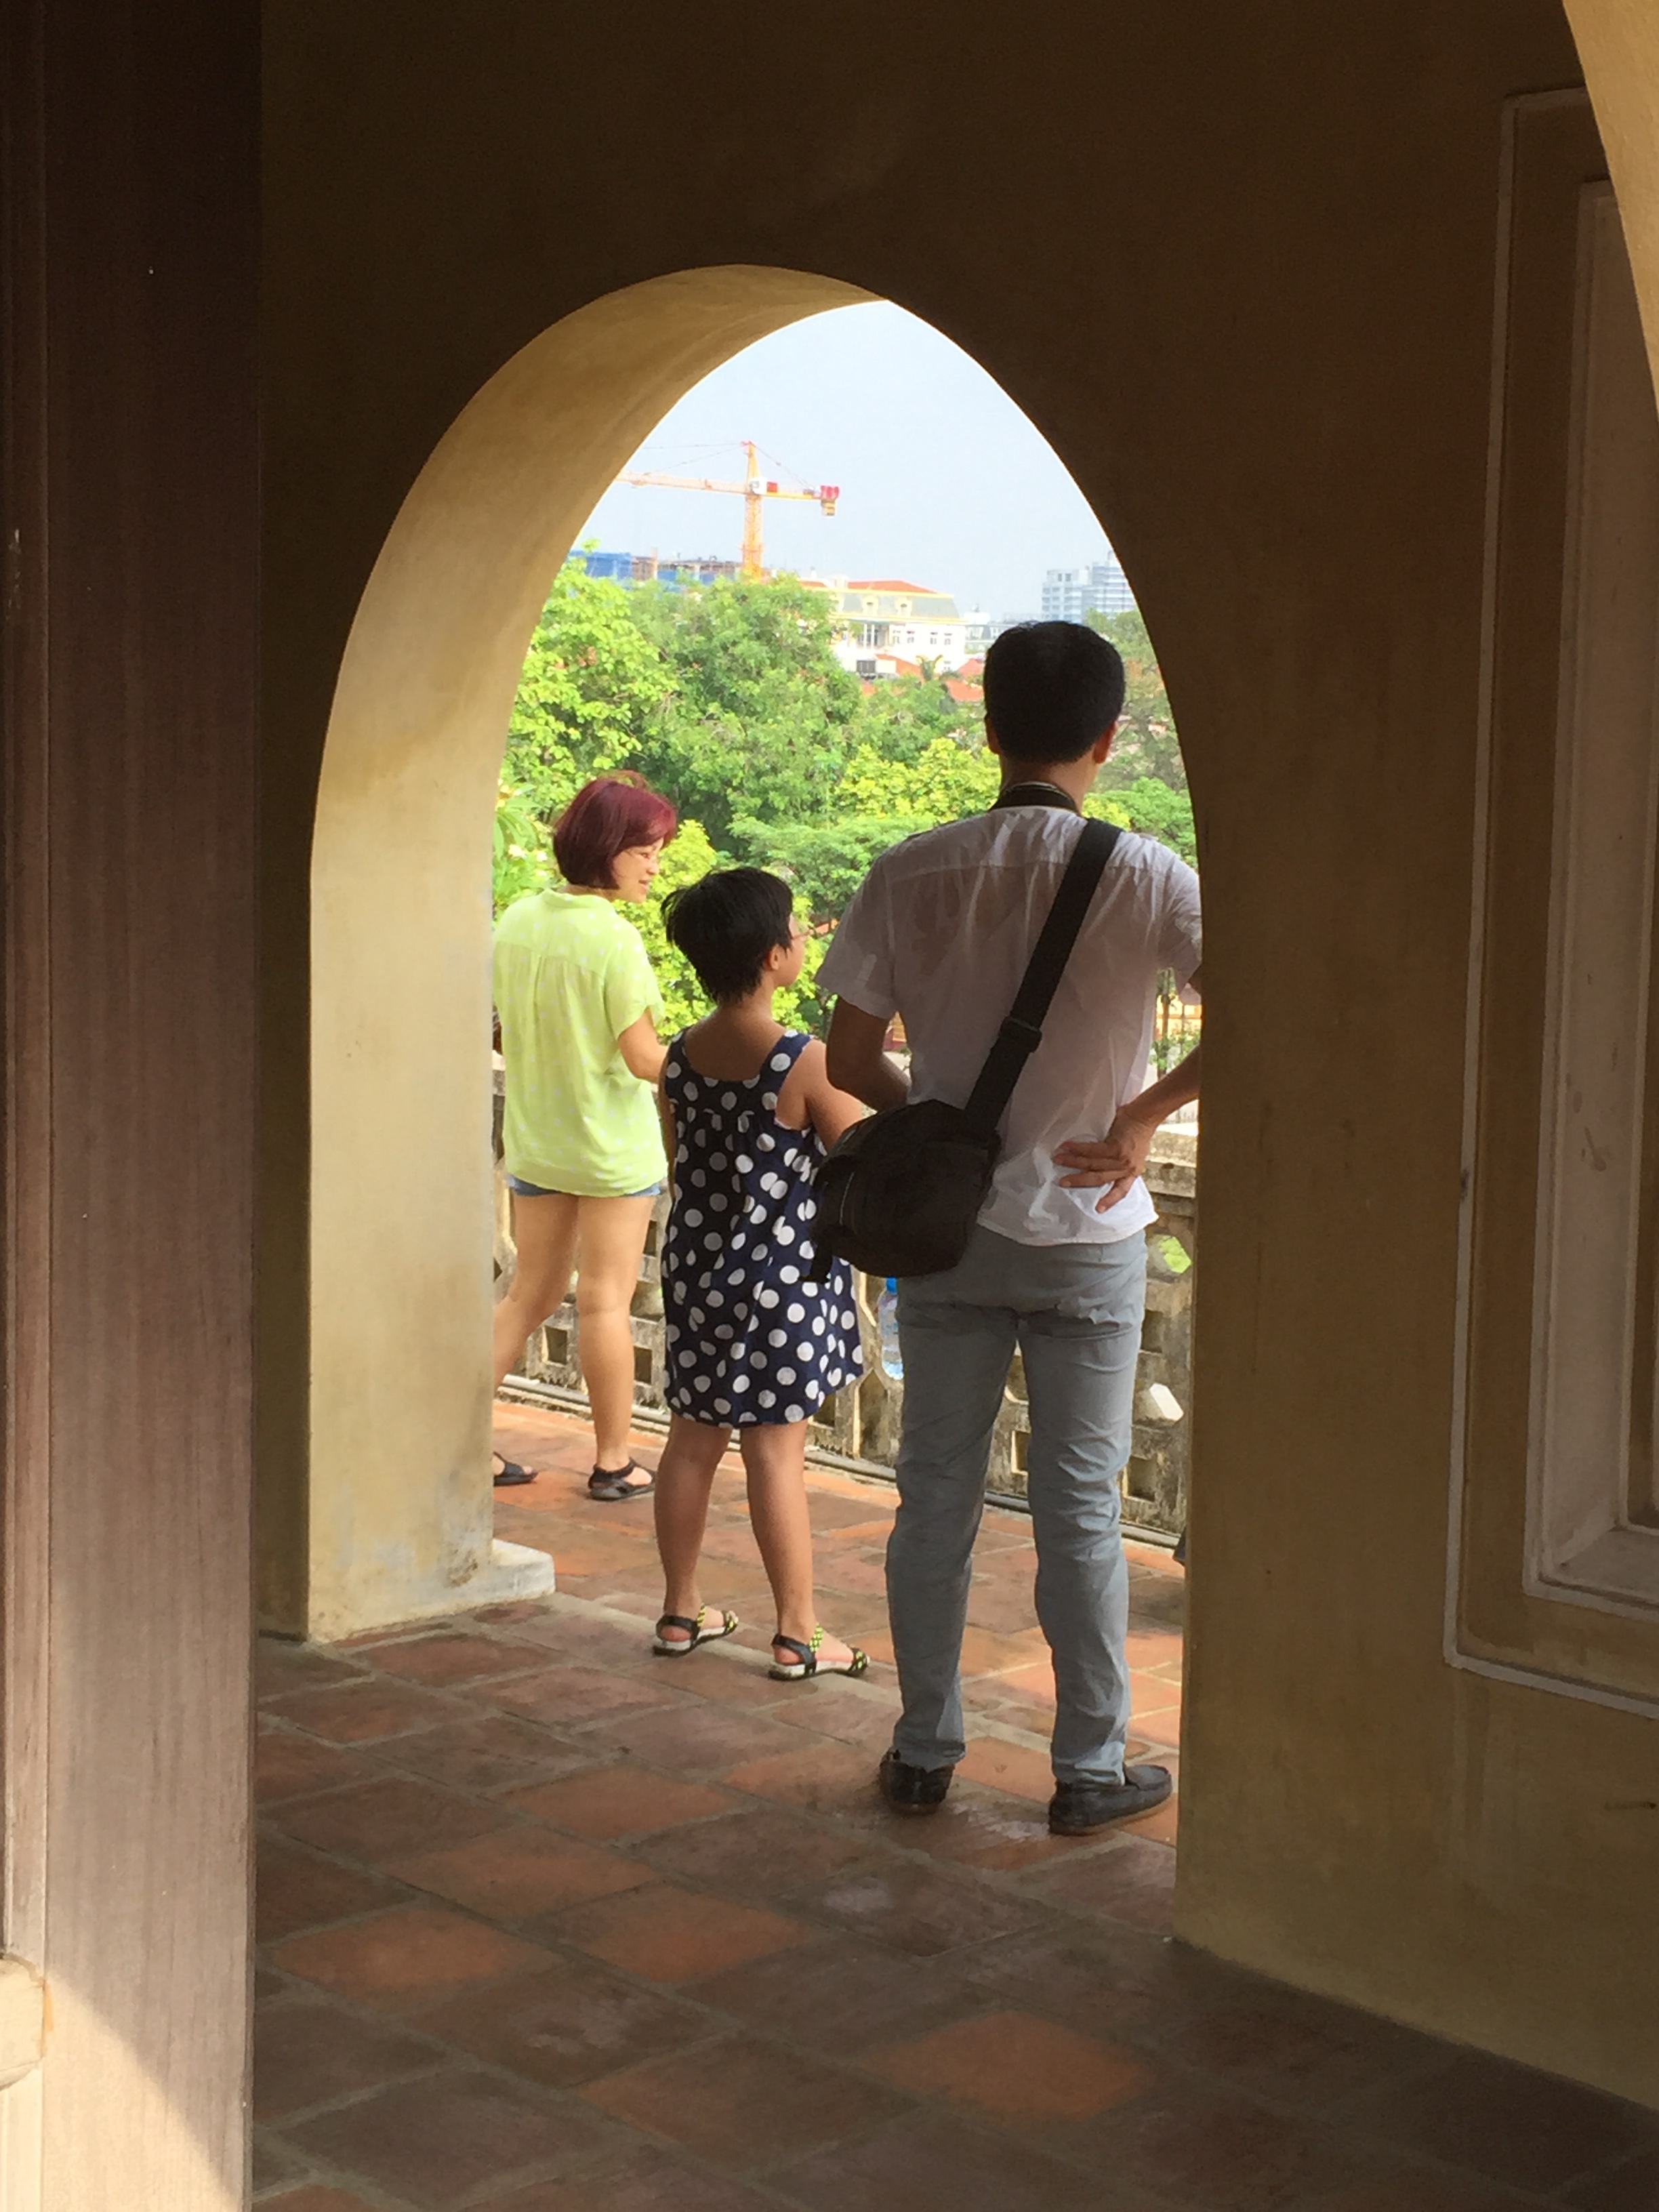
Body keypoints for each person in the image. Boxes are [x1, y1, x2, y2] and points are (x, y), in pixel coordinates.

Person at [819, 621, 1202, 1835]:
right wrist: (1139, 1117)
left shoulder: (910, 870)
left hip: (950, 1232)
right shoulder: (1149, 875)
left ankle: (922, 1747)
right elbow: (1261, 1007)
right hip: (1090, 1227)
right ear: (1107, 738)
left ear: (988, 729)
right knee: (1079, 1508)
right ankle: (1089, 1767)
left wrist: (945, 1131)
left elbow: (845, 1057)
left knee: (932, 1494)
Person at [647, 867, 869, 1679]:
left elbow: (681, 1159)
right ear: (774, 956)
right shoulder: (801, 1060)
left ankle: (681, 1610)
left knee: (691, 1441)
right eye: (797, 928)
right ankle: (798, 1632)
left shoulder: (677, 1058)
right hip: (781, 1282)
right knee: (775, 1454)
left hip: (698, 1269)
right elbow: (859, 1147)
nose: (804, 937)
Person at [491, 773, 675, 1500]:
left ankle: (458, 1444)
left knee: (526, 1297)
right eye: (645, 851)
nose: (653, 867)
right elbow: (644, 1059)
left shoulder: (517, 920)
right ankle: (613, 1461)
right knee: (604, 1302)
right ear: (608, 850)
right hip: (611, 1151)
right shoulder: (614, 940)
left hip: (537, 1138)